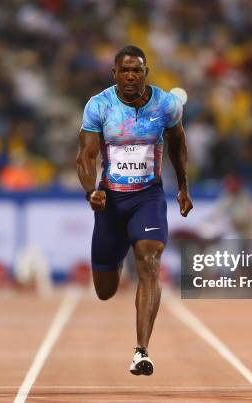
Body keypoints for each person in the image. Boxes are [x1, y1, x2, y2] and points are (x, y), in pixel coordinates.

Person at [76, 45, 193, 375]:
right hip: (111, 201)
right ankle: (111, 260)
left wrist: (183, 186)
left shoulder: (166, 105)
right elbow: (85, 157)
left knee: (149, 258)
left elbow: (177, 144)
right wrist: (91, 192)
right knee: (105, 290)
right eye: (124, 70)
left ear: (146, 73)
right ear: (114, 74)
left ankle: (141, 351)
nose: (131, 76)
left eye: (137, 70)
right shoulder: (99, 105)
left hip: (148, 197)